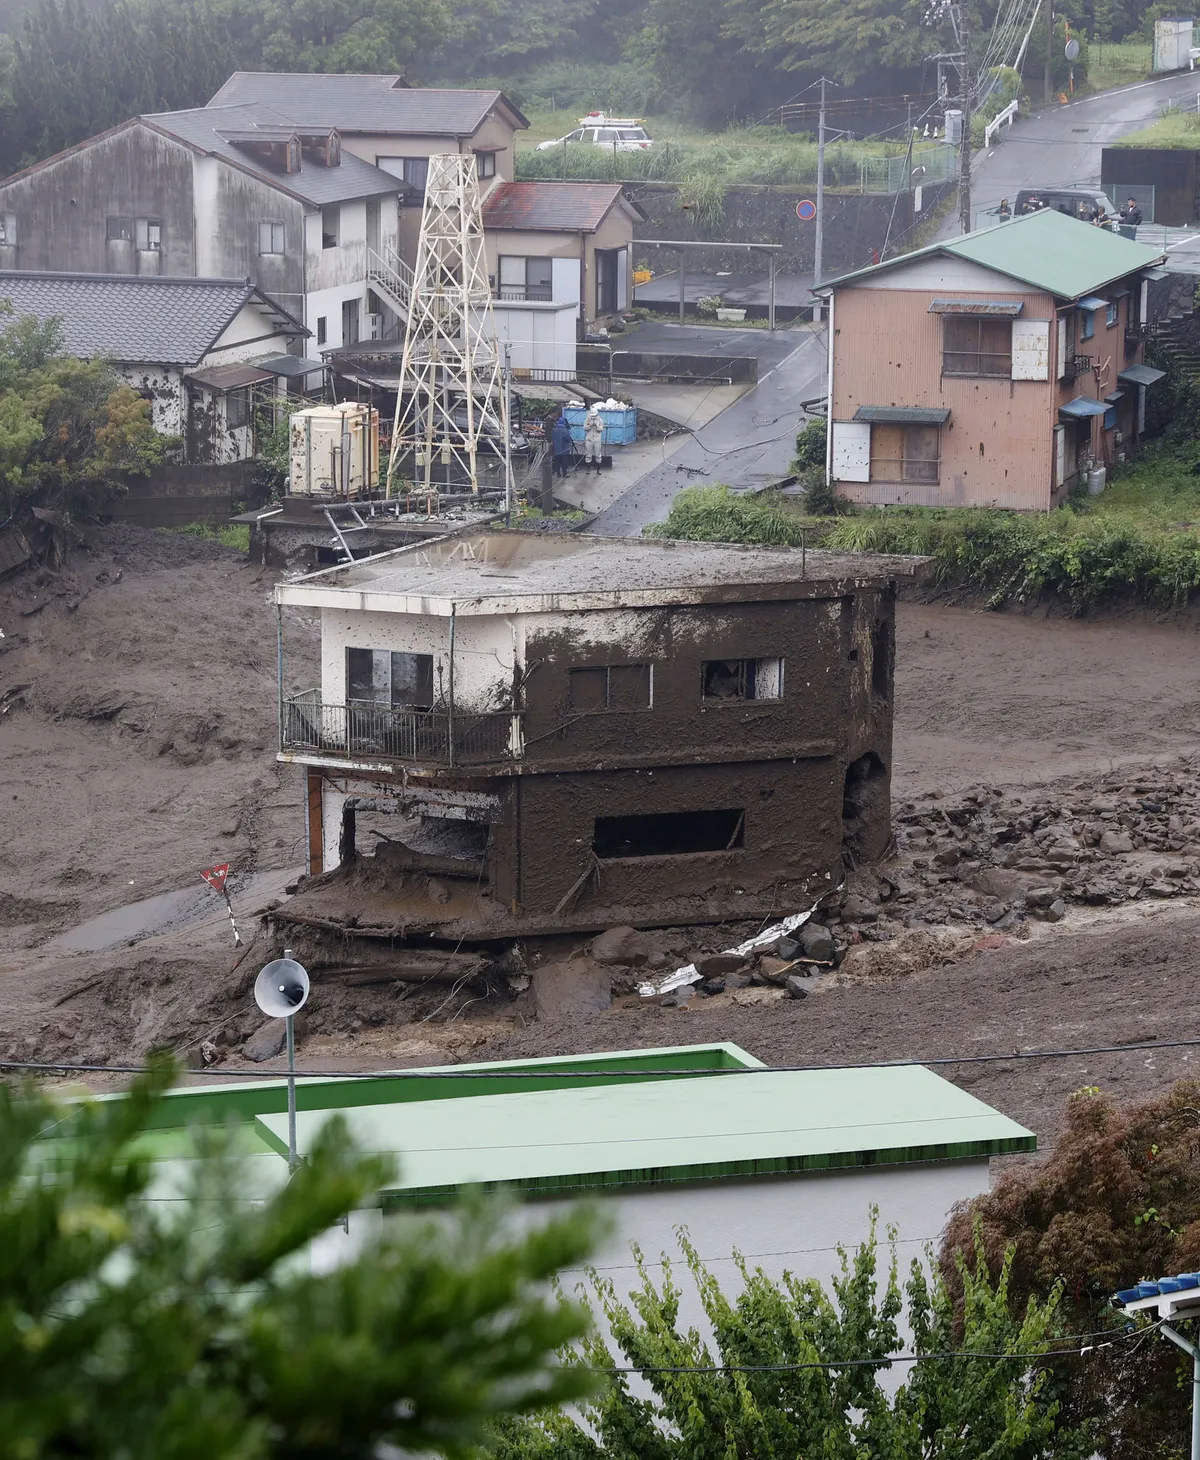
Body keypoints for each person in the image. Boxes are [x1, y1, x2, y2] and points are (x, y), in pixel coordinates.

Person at [550, 412, 574, 478]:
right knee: (564, 463)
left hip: (556, 450)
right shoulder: (565, 430)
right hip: (564, 450)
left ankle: (558, 473)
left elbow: (551, 438)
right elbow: (568, 439)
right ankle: (564, 474)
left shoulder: (553, 429)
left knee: (557, 462)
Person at [583, 405, 604, 473]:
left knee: (598, 453)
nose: (593, 417)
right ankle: (588, 468)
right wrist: (590, 425)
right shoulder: (587, 419)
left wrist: (597, 426)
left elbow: (601, 429)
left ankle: (598, 469)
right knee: (588, 453)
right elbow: (585, 428)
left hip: (597, 439)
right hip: (589, 439)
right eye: (592, 416)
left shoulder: (600, 420)